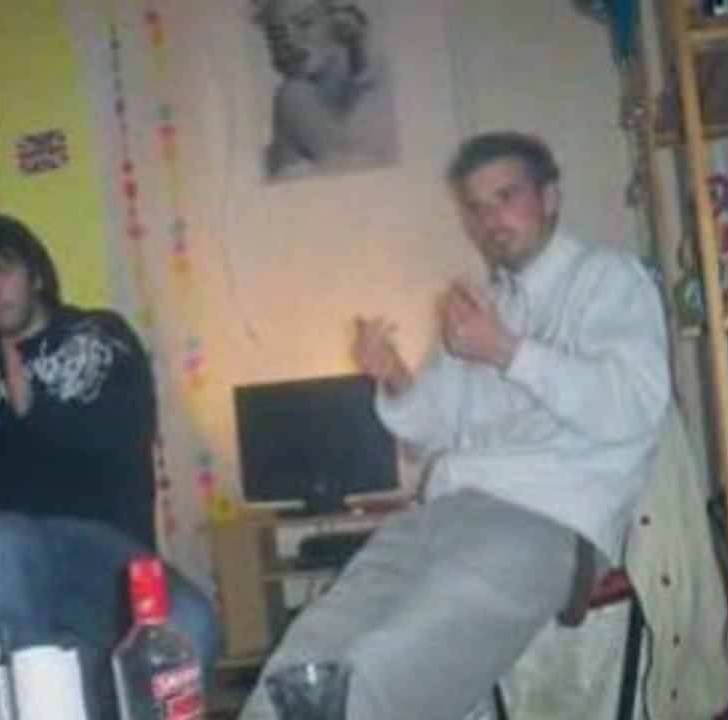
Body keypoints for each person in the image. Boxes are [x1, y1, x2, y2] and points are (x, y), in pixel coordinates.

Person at [238, 132, 671, 719]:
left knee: (380, 672)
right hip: (440, 513)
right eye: (476, 206)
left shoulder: (607, 279)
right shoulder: (482, 307)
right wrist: (394, 378)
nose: (490, 219)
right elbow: (428, 433)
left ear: (550, 197)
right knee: (304, 656)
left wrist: (509, 352)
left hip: (544, 521)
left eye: (506, 197)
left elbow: (632, 408)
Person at [0, 214, 221, 720]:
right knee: (0, 539)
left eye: (1, 270)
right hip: (17, 557)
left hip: (107, 556)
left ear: (34, 274)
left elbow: (124, 434)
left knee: (192, 627)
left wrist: (37, 412)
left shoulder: (100, 335)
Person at [253, 0, 397, 180]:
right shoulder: (292, 97)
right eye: (276, 35)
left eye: (304, 23)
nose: (289, 41)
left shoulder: (377, 94)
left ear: (342, 22)